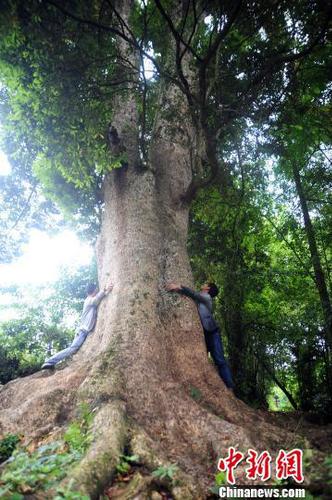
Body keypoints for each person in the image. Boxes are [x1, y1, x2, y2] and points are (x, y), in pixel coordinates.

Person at [166, 282, 234, 389]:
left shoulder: (206, 297)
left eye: (205, 284)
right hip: (205, 334)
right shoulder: (202, 298)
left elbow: (194, 294)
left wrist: (179, 286)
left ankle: (230, 386)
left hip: (212, 332)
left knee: (220, 360)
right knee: (203, 358)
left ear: (207, 288)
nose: (203, 284)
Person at [41, 282, 113, 369]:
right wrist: (104, 289)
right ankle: (49, 361)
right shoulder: (88, 300)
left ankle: (51, 361)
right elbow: (95, 300)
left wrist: (106, 292)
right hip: (82, 332)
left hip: (84, 331)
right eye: (97, 290)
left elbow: (98, 300)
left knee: (73, 349)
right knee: (73, 348)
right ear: (95, 290)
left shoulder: (91, 301)